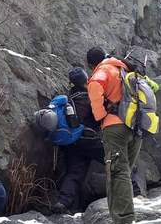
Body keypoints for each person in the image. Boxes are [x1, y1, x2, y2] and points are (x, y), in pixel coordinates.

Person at [50, 67, 143, 214]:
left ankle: (63, 202)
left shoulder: (69, 99)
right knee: (117, 163)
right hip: (90, 140)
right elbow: (101, 115)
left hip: (72, 142)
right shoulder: (90, 96)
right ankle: (136, 195)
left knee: (74, 173)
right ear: (86, 80)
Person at [86, 47, 141, 224]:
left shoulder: (103, 70)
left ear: (91, 64)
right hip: (136, 126)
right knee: (125, 171)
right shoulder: (124, 68)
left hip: (115, 127)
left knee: (118, 172)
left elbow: (95, 84)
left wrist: (100, 116)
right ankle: (125, 216)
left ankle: (124, 220)